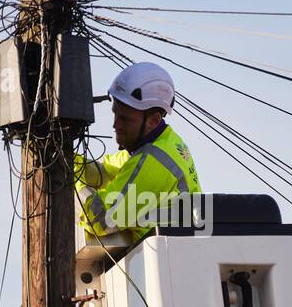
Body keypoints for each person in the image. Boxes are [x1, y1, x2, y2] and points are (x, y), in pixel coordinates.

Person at [75, 61, 201, 244]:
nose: (115, 124)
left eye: (125, 119)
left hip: (167, 263)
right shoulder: (163, 142)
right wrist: (69, 163)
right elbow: (104, 171)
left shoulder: (154, 162)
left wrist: (71, 182)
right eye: (115, 113)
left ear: (154, 120)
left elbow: (101, 219)